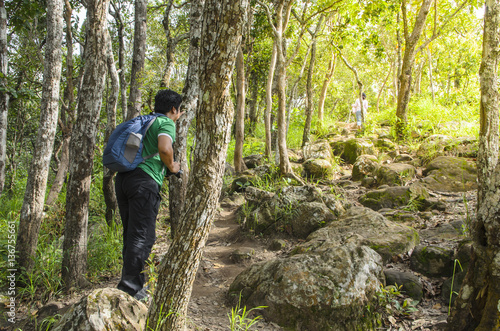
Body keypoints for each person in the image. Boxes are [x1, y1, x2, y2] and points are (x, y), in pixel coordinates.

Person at [115, 89, 184, 300]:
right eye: (179, 110)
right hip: (144, 183)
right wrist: (172, 167)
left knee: (131, 233)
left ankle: (128, 284)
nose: (179, 114)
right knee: (143, 236)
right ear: (174, 108)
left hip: (124, 179)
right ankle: (132, 290)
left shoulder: (143, 122)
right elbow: (164, 148)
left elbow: (129, 154)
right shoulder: (165, 123)